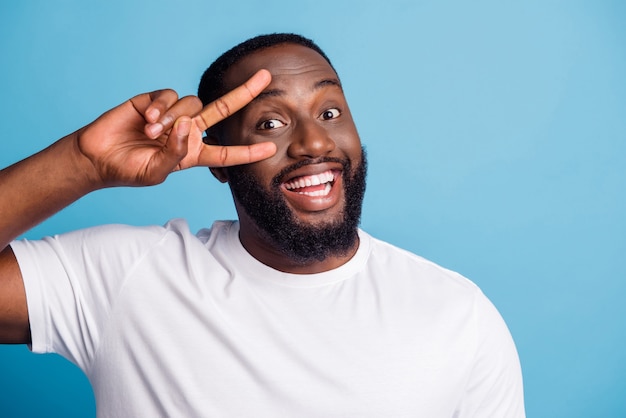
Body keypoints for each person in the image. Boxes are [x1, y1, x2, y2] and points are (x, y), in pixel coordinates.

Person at [0, 33, 525, 417]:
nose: (315, 144)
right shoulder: (126, 278)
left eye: (331, 112)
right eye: (270, 123)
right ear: (218, 159)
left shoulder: (459, 316)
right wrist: (81, 163)